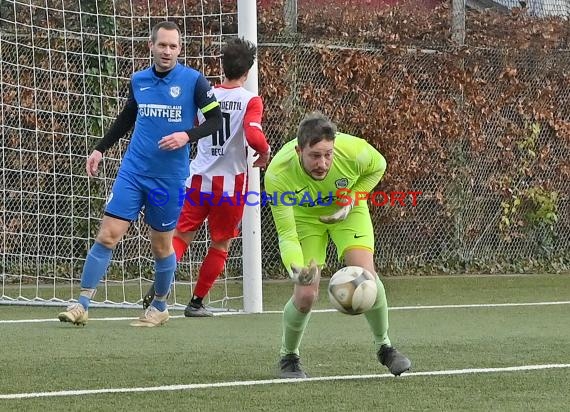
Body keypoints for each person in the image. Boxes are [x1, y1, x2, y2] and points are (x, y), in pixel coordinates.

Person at [57, 21, 223, 327]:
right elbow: (126, 118)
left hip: (169, 179)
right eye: (162, 45)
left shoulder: (194, 81)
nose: (167, 51)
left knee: (161, 245)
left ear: (179, 49)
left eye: (173, 46)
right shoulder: (139, 80)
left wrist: (187, 135)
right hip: (133, 172)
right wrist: (99, 148)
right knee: (107, 234)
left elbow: (215, 121)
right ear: (151, 46)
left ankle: (159, 306)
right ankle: (81, 303)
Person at [264, 111, 411, 378]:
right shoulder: (278, 175)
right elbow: (287, 235)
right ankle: (289, 356)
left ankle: (385, 347)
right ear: (299, 150)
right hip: (305, 218)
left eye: (328, 154)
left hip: (348, 211)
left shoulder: (355, 152)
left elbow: (379, 165)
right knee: (306, 293)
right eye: (315, 156)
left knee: (368, 277)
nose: (323, 163)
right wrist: (295, 268)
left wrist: (354, 197)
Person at [141, 37, 271, 317]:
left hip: (197, 178)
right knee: (220, 243)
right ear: (248, 71)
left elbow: (192, 128)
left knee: (181, 235)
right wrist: (264, 151)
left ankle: (161, 286)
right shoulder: (250, 100)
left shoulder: (206, 93)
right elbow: (252, 134)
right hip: (230, 185)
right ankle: (196, 302)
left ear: (222, 67)